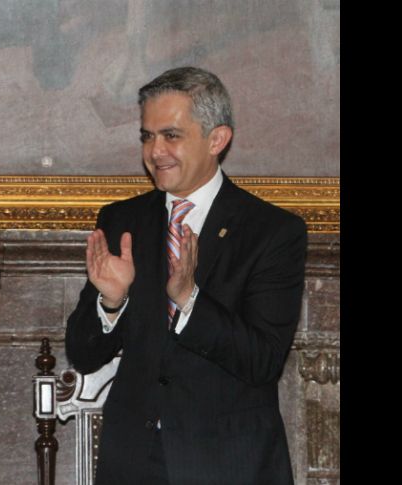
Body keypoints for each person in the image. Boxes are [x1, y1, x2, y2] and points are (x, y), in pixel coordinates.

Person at [65, 66, 306, 485]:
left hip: (229, 463)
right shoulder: (123, 220)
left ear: (217, 139)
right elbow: (84, 354)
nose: (155, 151)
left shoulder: (272, 231)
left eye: (171, 135)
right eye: (147, 136)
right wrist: (111, 301)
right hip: (134, 461)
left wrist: (190, 302)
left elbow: (263, 361)